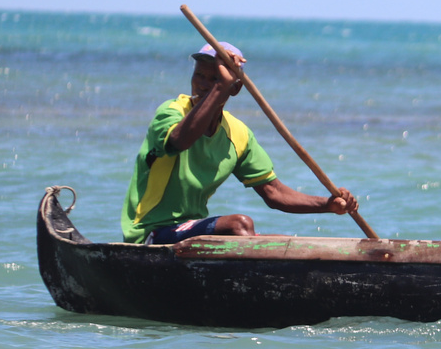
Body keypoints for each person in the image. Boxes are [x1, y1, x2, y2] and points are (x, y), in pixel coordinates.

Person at [120, 43, 357, 244]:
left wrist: (328, 205)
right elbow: (179, 141)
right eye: (199, 75)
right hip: (150, 233)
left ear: (236, 88)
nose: (203, 84)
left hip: (190, 229)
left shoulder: (238, 134)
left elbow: (274, 193)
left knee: (278, 242)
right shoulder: (171, 112)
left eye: (214, 78)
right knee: (240, 225)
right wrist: (220, 86)